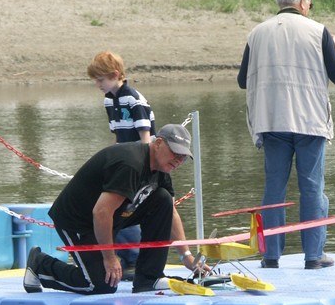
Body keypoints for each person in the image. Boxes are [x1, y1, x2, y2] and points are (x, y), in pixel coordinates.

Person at [237, 0, 335, 270]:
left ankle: (270, 255)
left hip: (271, 119)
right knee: (312, 187)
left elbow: (241, 81)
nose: (310, 7)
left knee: (274, 188)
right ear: (302, 2)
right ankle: (314, 256)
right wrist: (333, 49)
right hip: (309, 120)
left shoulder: (256, 33)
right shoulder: (318, 31)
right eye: (310, 3)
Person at [23, 124, 210, 295]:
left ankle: (149, 278)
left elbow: (171, 213)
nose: (178, 160)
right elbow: (101, 212)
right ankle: (40, 264)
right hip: (79, 220)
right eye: (175, 153)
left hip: (111, 215)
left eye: (183, 157)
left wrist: (187, 256)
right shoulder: (131, 163)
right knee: (101, 285)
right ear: (158, 143)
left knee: (162, 200)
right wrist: (110, 257)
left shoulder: (162, 169)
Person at [87, 50, 157, 278]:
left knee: (129, 207)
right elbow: (117, 134)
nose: (98, 84)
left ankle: (135, 259)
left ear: (115, 75)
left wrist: (143, 162)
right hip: (125, 158)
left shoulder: (131, 98)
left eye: (101, 79)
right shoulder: (110, 99)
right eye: (96, 80)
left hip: (139, 159)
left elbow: (145, 134)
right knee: (116, 207)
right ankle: (124, 257)